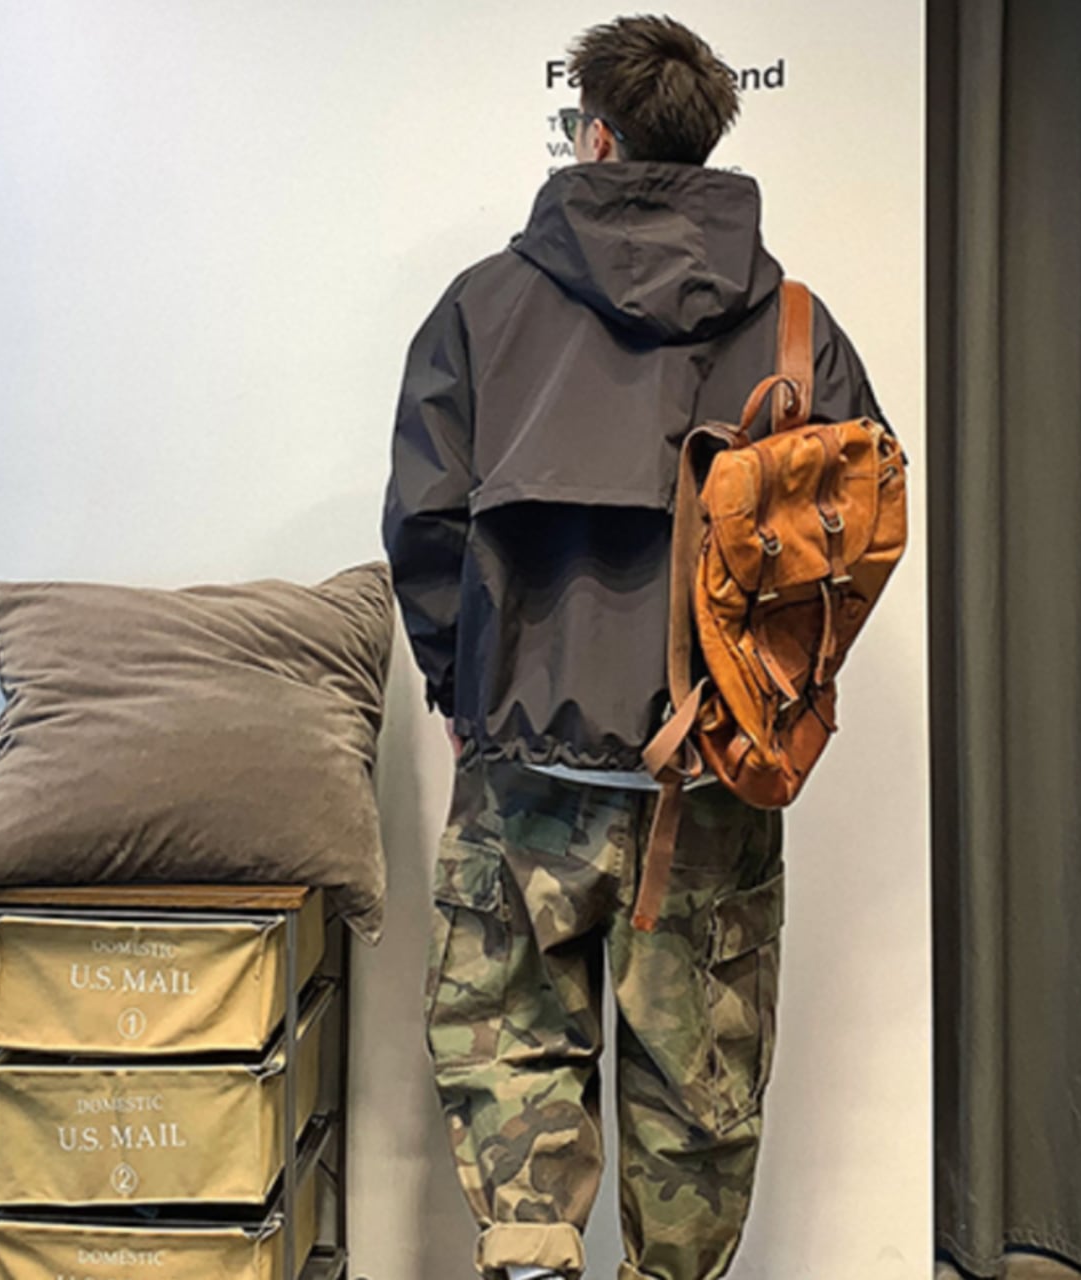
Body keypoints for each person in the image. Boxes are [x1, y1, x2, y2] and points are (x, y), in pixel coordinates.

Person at [382, 16, 888, 1280]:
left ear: (595, 137)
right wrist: (772, 698)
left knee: (509, 1056)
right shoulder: (797, 325)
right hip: (708, 777)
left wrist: (464, 686)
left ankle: (534, 1263)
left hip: (523, 778)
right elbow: (851, 546)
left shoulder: (482, 307)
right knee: (697, 1094)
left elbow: (424, 525)